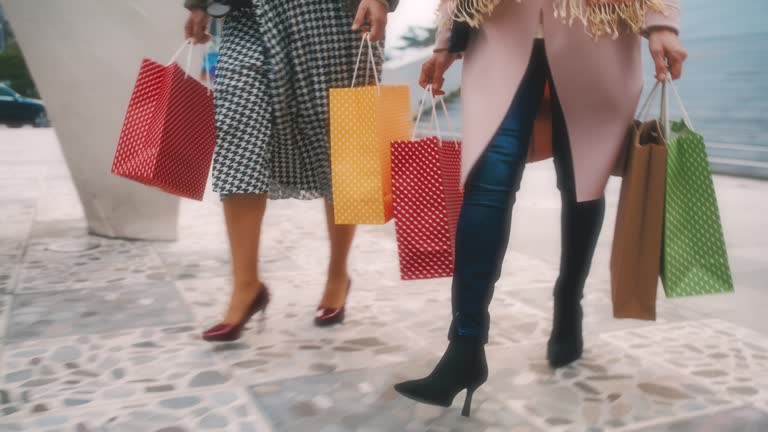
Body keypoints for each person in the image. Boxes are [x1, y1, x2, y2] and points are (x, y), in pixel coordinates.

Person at [394, 0, 687, 417]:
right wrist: (446, 42)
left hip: (595, 32)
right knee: (485, 185)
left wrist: (661, 24)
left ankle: (569, 300)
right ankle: (464, 345)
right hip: (499, 32)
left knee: (582, 183)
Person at [181, 0, 398, 341]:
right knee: (238, 136)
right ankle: (246, 285)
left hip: (335, 15)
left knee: (342, 145)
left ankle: (338, 273)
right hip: (249, 16)